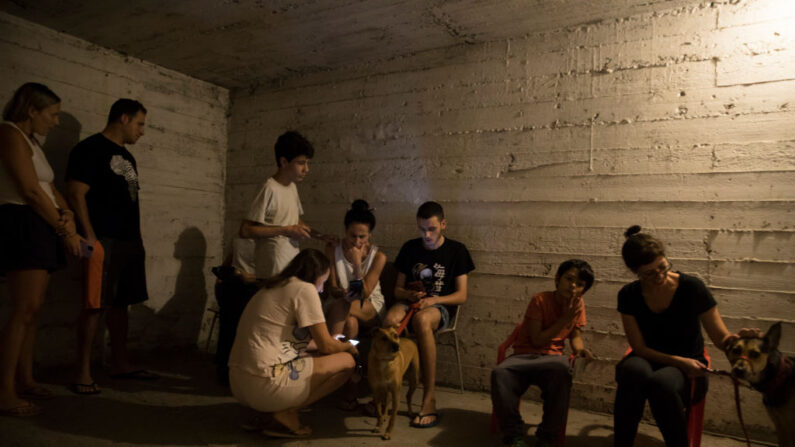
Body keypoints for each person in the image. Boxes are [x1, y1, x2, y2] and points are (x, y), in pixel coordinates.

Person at [614, 225, 755, 447]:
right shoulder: (628, 295)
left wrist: (740, 341)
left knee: (662, 384)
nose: (660, 276)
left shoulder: (691, 287)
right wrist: (676, 360)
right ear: (636, 272)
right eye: (650, 273)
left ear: (665, 258)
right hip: (651, 357)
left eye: (663, 266)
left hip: (689, 362)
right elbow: (638, 348)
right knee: (631, 371)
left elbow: (721, 338)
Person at [0, 83, 82, 416]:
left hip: (41, 224)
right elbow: (31, 192)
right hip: (23, 222)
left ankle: (27, 379)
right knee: (24, 309)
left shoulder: (33, 141)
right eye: (53, 114)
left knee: (33, 310)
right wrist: (65, 231)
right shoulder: (8, 133)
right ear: (32, 110)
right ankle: (4, 392)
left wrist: (69, 215)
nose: (56, 121)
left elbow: (50, 188)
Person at [65, 98, 155, 395]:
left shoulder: (128, 158)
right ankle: (82, 373)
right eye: (140, 123)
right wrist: (90, 237)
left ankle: (119, 363)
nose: (142, 131)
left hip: (129, 241)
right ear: (124, 118)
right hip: (102, 239)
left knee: (121, 303)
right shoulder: (89, 149)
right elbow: (76, 194)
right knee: (94, 304)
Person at [228, 248, 358, 438]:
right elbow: (326, 346)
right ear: (316, 276)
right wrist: (346, 346)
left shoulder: (272, 286)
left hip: (239, 383)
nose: (322, 289)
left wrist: (325, 345)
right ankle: (286, 411)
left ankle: (267, 413)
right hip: (265, 384)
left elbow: (290, 342)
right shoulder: (304, 289)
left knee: (314, 356)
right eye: (323, 282)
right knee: (347, 362)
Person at [382, 201, 475, 429]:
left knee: (422, 320)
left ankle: (429, 396)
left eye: (431, 229)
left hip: (439, 307)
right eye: (422, 229)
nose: (426, 234)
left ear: (443, 224)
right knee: (389, 320)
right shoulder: (410, 248)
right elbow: (397, 291)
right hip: (411, 302)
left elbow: (461, 295)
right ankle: (385, 390)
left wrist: (434, 300)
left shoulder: (457, 250)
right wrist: (409, 295)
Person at [491, 259, 596, 447]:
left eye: (579, 284)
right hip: (524, 356)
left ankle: (548, 437)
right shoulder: (540, 299)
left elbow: (575, 335)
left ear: (584, 290)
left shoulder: (578, 306)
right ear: (557, 279)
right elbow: (537, 340)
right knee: (500, 373)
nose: (572, 286)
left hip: (552, 358)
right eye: (568, 279)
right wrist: (565, 318)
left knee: (563, 372)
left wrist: (580, 349)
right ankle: (513, 434)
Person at [239, 131, 321, 280]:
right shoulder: (269, 188)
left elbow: (294, 221)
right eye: (301, 163)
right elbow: (245, 230)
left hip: (291, 263)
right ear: (284, 162)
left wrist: (321, 236)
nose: (306, 169)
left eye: (307, 162)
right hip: (272, 268)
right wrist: (285, 230)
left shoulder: (292, 187)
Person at [325, 199, 387, 339]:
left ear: (369, 234)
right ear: (345, 231)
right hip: (341, 301)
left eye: (362, 237)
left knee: (346, 304)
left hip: (369, 306)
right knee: (350, 323)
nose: (357, 242)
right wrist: (341, 291)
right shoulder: (333, 248)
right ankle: (349, 355)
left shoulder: (378, 257)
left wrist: (357, 263)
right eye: (353, 236)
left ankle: (329, 348)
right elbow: (332, 287)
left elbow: (364, 294)